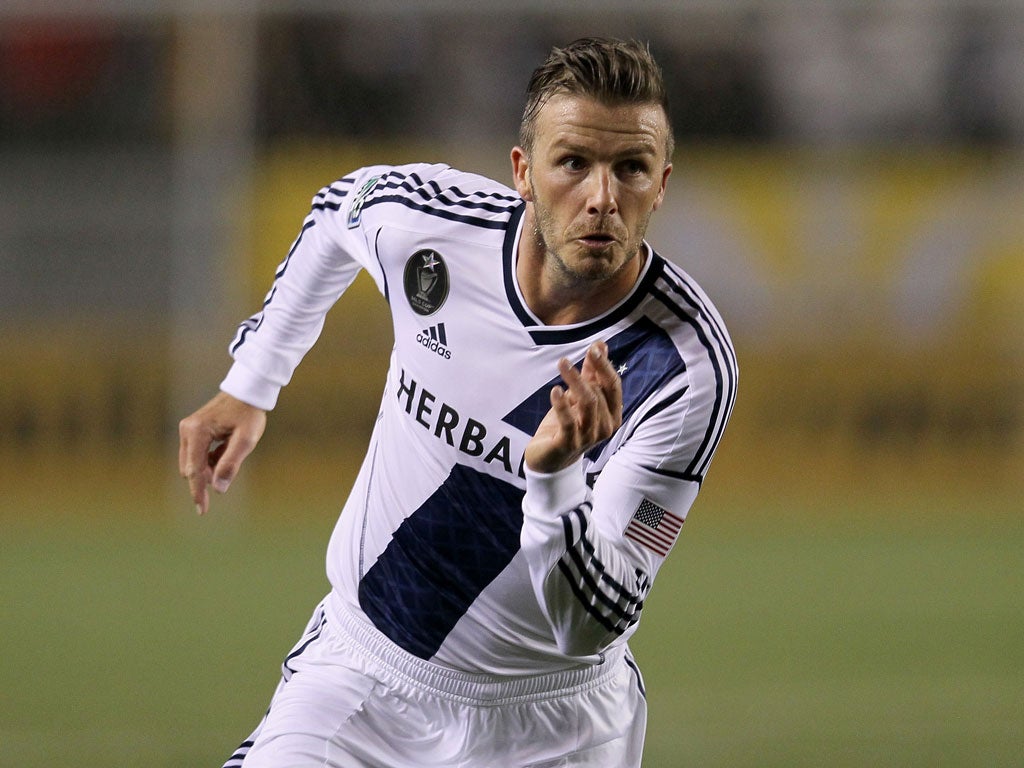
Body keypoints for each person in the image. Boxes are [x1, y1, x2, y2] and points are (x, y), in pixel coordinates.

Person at [179, 36, 737, 768]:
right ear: (523, 173)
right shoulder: (434, 228)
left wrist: (556, 478)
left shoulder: (683, 364)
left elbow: (590, 625)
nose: (603, 197)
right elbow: (335, 213)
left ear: (660, 184)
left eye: (629, 169)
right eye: (573, 163)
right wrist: (251, 383)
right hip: (361, 678)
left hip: (553, 728)